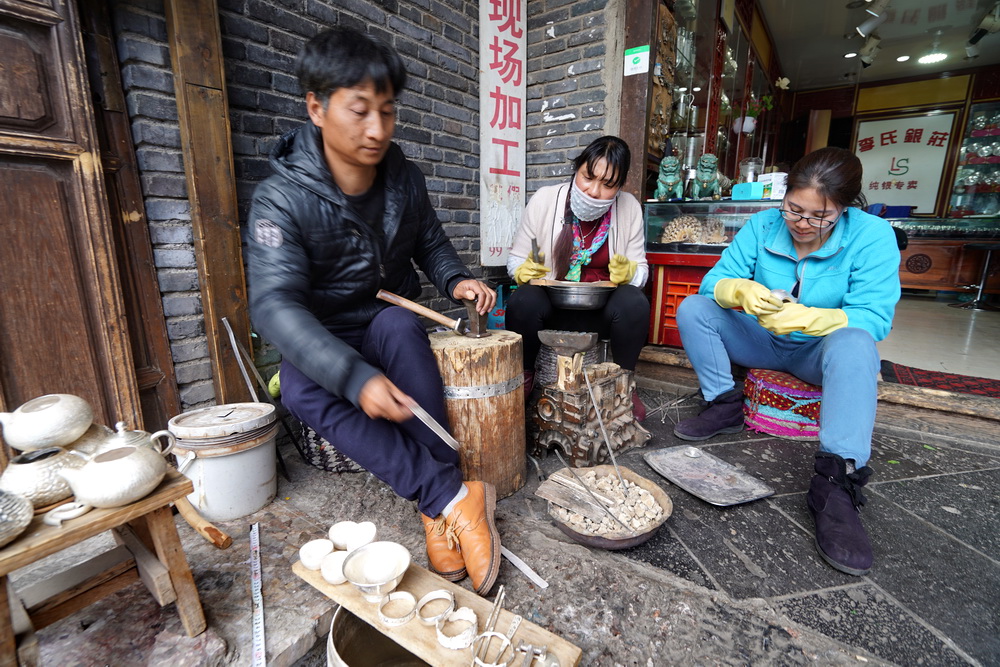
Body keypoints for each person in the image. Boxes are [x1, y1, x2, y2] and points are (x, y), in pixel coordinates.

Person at [246, 27, 501, 595]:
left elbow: (429, 241)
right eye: (359, 111)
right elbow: (274, 304)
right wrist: (352, 375)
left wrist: (455, 279)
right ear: (316, 106)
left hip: (386, 314)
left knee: (400, 328)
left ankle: (439, 508)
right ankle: (452, 498)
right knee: (299, 387)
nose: (376, 130)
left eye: (387, 112)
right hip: (325, 335)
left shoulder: (403, 177)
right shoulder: (280, 199)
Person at [673, 146, 901, 576]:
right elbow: (713, 284)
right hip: (763, 339)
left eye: (820, 217)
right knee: (693, 310)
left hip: (818, 351)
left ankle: (837, 481)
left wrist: (815, 318)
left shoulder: (872, 236)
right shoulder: (762, 225)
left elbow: (874, 316)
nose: (802, 223)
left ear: (845, 209)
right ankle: (723, 404)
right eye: (794, 209)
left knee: (856, 345)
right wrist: (740, 292)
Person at [504, 136, 650, 419]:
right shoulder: (545, 200)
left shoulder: (629, 207)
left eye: (608, 185)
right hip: (552, 309)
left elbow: (641, 270)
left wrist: (631, 273)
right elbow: (516, 260)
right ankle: (525, 376)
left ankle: (624, 384)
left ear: (619, 188)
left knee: (634, 300)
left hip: (601, 312)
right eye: (588, 177)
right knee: (523, 299)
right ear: (577, 169)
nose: (594, 191)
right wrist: (522, 270)